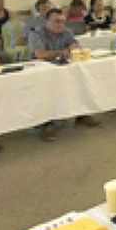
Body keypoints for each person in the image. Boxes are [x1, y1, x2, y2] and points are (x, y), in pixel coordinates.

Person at [29, 8, 101, 139]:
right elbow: (40, 54)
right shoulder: (36, 33)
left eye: (63, 22)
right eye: (56, 21)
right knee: (45, 88)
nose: (60, 25)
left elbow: (77, 47)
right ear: (46, 21)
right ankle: (46, 123)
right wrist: (62, 52)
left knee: (80, 78)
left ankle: (81, 114)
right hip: (41, 69)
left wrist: (73, 48)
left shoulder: (66, 32)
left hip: (61, 66)